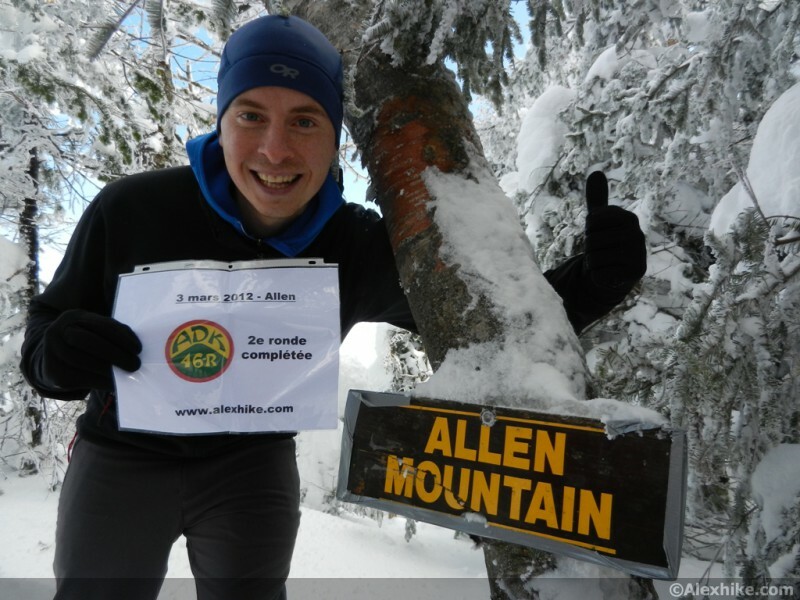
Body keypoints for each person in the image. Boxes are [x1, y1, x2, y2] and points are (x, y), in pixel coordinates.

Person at [20, 14, 647, 600]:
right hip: (121, 459)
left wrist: (593, 282)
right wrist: (60, 356)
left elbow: (481, 321)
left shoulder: (356, 244)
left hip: (250, 468)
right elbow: (45, 337)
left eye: (304, 120)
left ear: (335, 134)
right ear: (221, 119)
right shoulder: (131, 210)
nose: (274, 150)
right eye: (250, 116)